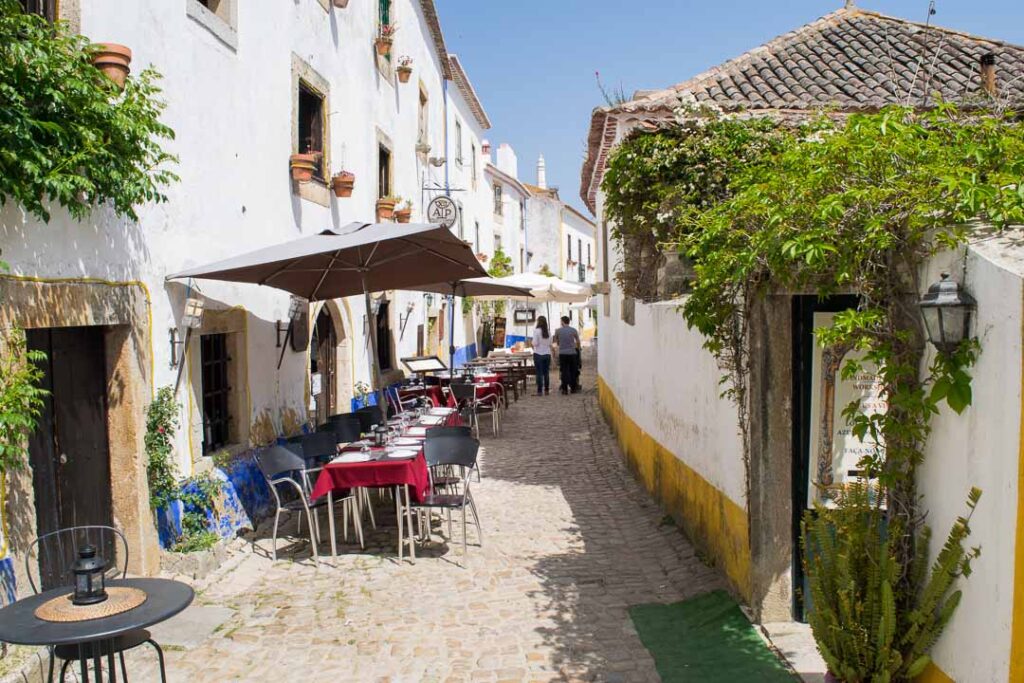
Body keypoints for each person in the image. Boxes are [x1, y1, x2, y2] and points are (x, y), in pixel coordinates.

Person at [553, 316, 581, 395]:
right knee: (573, 371)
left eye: (560, 321)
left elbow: (556, 341)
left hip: (563, 353)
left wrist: (560, 343)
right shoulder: (573, 330)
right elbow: (578, 341)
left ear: (562, 322)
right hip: (572, 353)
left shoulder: (558, 331)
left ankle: (564, 389)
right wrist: (577, 348)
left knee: (564, 371)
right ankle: (573, 388)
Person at [532, 315, 552, 395]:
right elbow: (550, 343)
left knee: (539, 373)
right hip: (547, 354)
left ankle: (539, 391)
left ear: (538, 322)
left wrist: (531, 343)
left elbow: (535, 343)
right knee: (546, 372)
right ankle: (546, 390)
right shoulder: (548, 331)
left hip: (538, 354)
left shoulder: (536, 331)